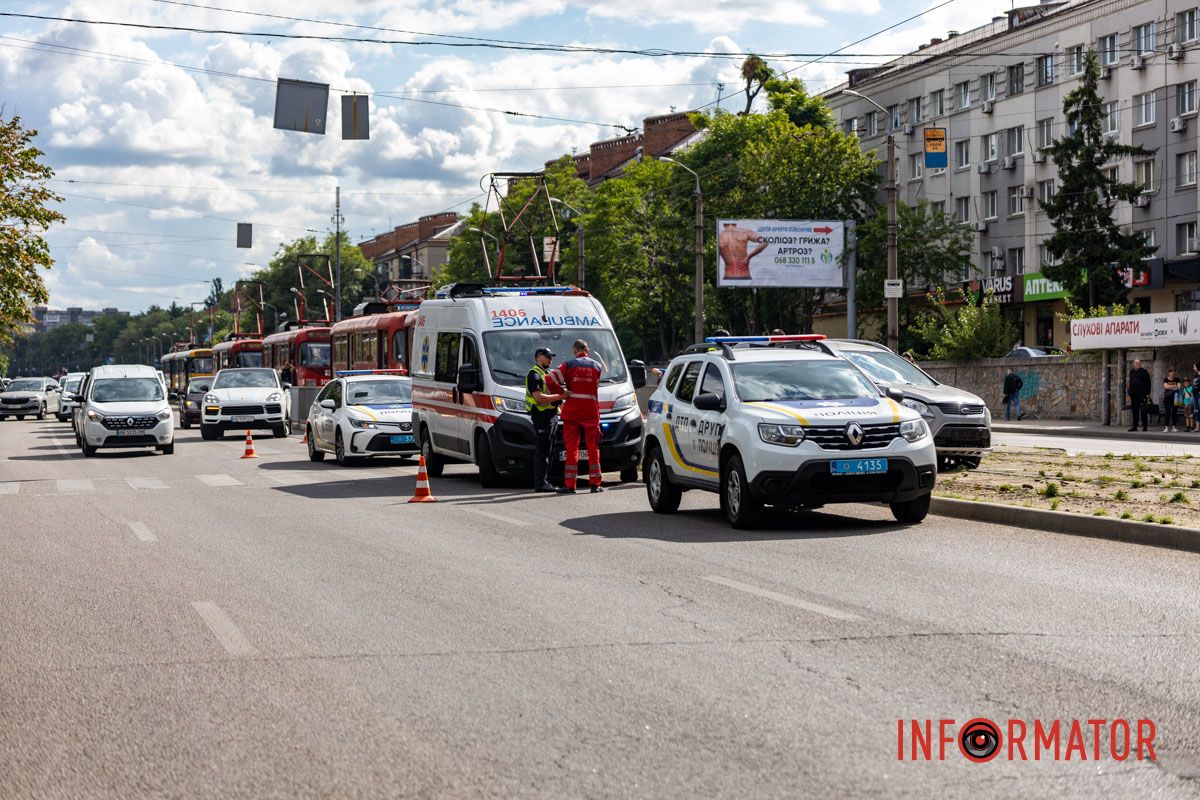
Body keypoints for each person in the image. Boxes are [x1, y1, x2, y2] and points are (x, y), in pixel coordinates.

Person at [548, 339, 604, 494]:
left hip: (572, 411)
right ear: (588, 349)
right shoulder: (597, 366)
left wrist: (562, 392)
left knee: (572, 449)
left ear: (574, 350)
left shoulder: (569, 364)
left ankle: (570, 485)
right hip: (591, 412)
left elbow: (549, 379)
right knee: (593, 448)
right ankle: (595, 484)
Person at [525, 347, 564, 493]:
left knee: (550, 450)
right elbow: (538, 397)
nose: (550, 359)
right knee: (542, 451)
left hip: (551, 415)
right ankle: (540, 483)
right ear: (539, 357)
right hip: (541, 416)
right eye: (548, 356)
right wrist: (560, 397)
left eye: (551, 356)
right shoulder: (534, 374)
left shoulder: (547, 373)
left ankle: (545, 480)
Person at [1128, 358, 1151, 432]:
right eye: (1136, 363)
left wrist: (1148, 393)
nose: (1138, 364)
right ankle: (1135, 426)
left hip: (1142, 395)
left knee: (1143, 410)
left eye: (1139, 363)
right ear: (1133, 364)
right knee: (1135, 411)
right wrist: (1129, 391)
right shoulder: (1131, 372)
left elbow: (1148, 383)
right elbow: (1130, 382)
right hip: (1133, 395)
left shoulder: (1144, 372)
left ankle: (1145, 426)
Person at [1163, 368, 1181, 433]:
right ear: (1169, 373)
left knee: (1174, 412)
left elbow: (1179, 387)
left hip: (1175, 398)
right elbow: (1165, 387)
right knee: (1167, 412)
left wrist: (1169, 386)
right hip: (1167, 398)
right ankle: (1166, 427)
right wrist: (1174, 386)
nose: (1172, 374)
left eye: (1173, 372)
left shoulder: (1177, 379)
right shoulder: (1165, 379)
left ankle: (1174, 427)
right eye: (1171, 372)